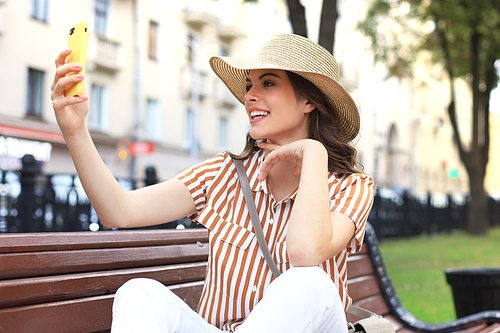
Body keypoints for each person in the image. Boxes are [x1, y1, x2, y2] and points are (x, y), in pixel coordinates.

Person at [51, 33, 374, 333]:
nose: (250, 96)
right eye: (249, 85)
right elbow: (119, 212)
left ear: (308, 101)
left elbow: (306, 253)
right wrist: (76, 131)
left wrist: (314, 155)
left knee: (309, 283)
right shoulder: (223, 174)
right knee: (140, 292)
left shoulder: (352, 187)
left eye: (268, 83)